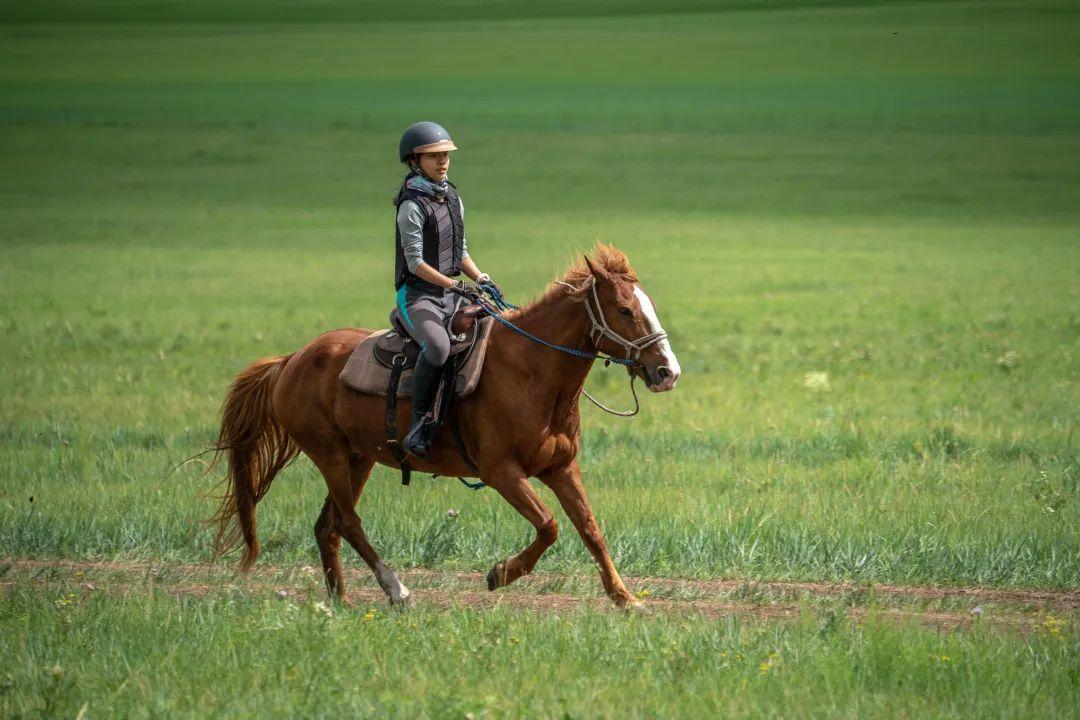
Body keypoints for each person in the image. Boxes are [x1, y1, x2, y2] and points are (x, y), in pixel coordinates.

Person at [393, 121, 496, 458]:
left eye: (445, 155)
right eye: (433, 156)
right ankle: (418, 426)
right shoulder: (411, 205)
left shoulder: (453, 196)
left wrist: (480, 278)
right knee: (437, 348)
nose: (442, 162)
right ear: (415, 160)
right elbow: (415, 263)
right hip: (419, 296)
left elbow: (460, 252)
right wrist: (454, 284)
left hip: (453, 295)